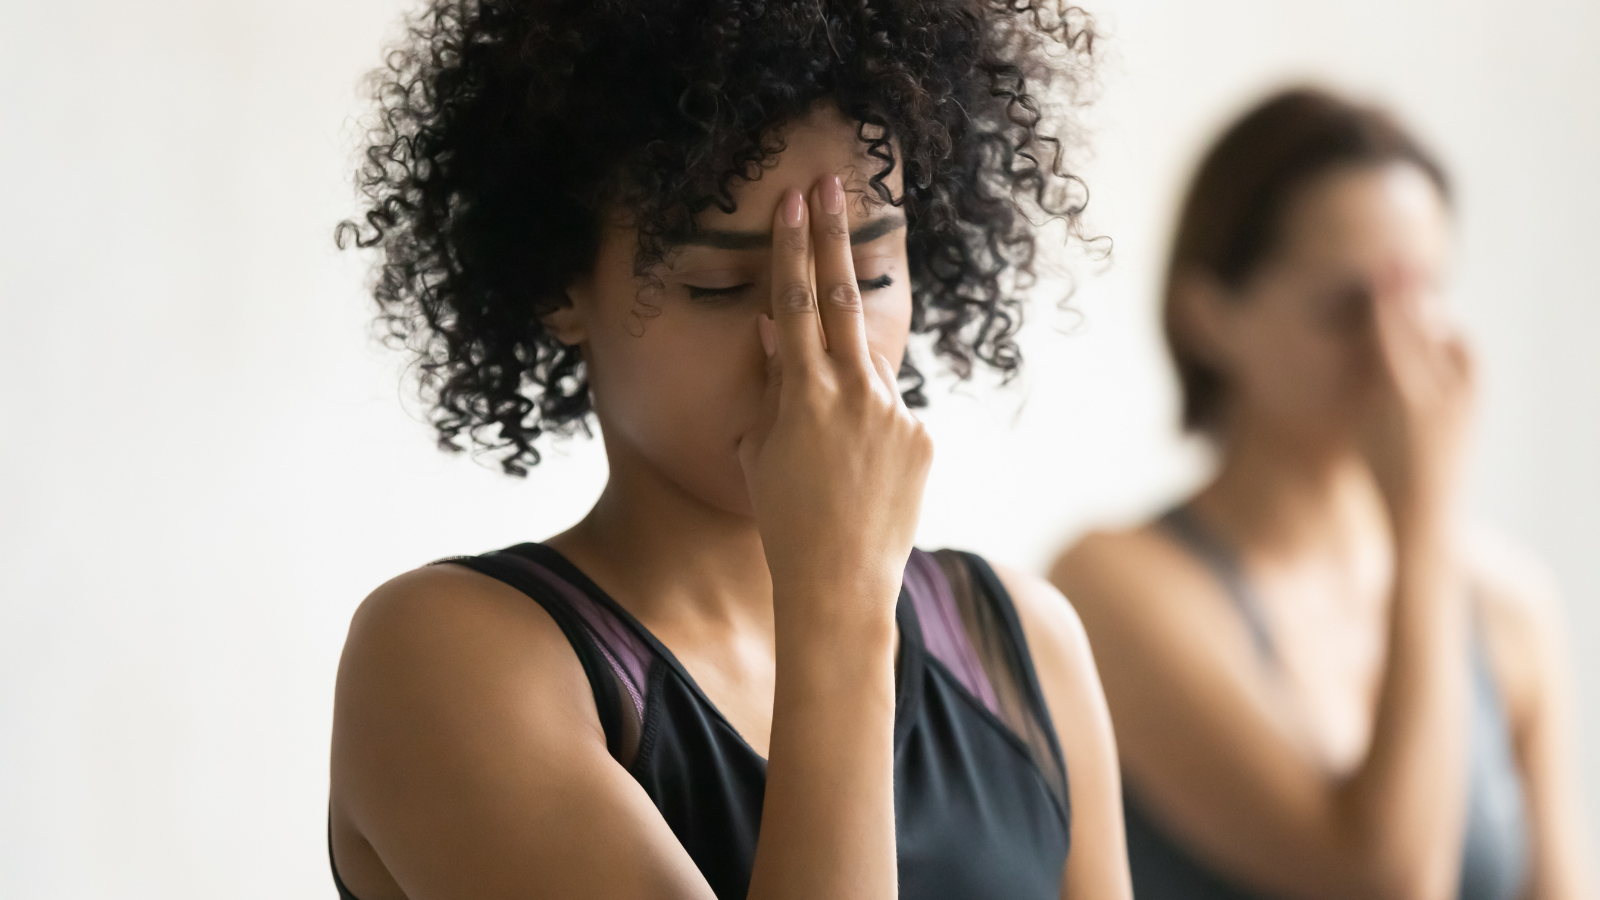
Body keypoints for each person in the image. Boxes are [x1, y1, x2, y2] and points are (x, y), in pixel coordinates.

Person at [328, 2, 1132, 899]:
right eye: (719, 285)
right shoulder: (453, 660)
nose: (814, 339)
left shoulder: (1023, 643)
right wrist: (838, 594)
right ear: (559, 284)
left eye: (869, 274)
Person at [1050, 87, 1592, 900]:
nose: (1394, 350)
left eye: (1423, 295)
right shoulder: (1111, 589)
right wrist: (1425, 518)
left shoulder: (1510, 608)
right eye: (1348, 307)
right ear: (1209, 316)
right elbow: (1389, 877)